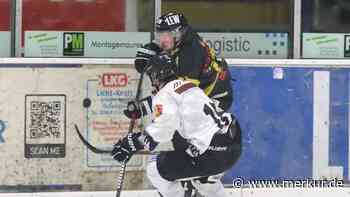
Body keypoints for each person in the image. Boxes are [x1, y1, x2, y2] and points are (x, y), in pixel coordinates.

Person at [112, 54, 242, 197]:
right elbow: (174, 103)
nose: (152, 82)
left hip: (211, 151)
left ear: (156, 76)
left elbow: (164, 128)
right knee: (203, 179)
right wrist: (141, 108)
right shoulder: (188, 86)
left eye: (151, 77)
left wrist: (134, 142)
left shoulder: (164, 95)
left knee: (154, 168)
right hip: (231, 142)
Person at [134, 11, 233, 112]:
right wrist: (150, 52)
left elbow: (181, 95)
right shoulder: (182, 38)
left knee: (185, 121)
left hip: (214, 98)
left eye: (166, 35)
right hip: (195, 92)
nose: (162, 40)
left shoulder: (191, 54)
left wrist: (144, 108)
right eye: (160, 35)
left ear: (177, 33)